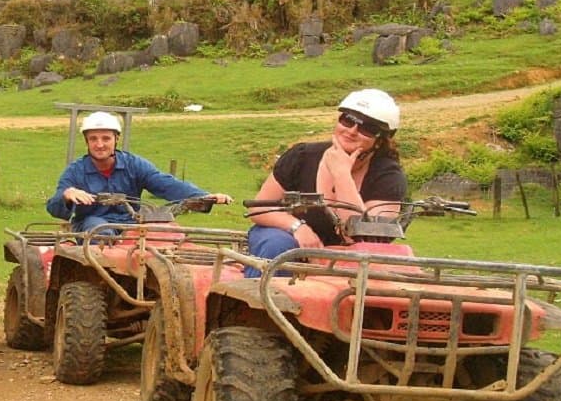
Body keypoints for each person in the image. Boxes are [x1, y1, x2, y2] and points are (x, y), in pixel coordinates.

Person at [244, 89, 407, 277]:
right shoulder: (302, 157)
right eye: (347, 120)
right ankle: (262, 302)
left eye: (367, 128)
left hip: (347, 256)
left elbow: (364, 238)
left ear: (381, 140)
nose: (352, 130)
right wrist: (298, 227)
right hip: (287, 236)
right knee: (278, 245)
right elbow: (258, 208)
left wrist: (342, 174)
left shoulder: (387, 176)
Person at [46, 111, 232, 235]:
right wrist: (67, 195)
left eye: (106, 138)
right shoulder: (76, 171)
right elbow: (53, 207)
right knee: (102, 231)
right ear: (86, 141)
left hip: (132, 223)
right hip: (91, 227)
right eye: (93, 139)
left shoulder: (133, 165)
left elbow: (165, 184)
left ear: (116, 139)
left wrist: (205, 197)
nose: (100, 144)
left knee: (168, 234)